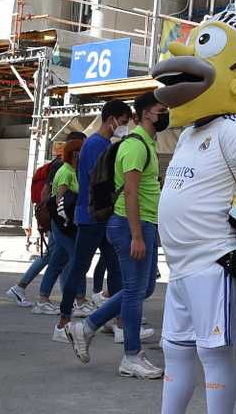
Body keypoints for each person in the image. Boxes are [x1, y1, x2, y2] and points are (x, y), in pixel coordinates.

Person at [153, 9, 236, 414]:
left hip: (213, 262)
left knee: (213, 354)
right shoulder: (192, 131)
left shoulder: (230, 126)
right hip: (180, 266)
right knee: (174, 349)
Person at [68, 91, 166, 378]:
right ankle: (131, 356)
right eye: (162, 109)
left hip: (143, 224)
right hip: (129, 225)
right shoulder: (135, 146)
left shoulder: (146, 142)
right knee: (135, 290)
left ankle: (86, 326)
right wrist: (136, 235)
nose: (166, 114)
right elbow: (131, 192)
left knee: (144, 287)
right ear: (148, 113)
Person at [56, 101, 130, 338]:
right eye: (125, 121)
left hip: (98, 215)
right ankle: (63, 321)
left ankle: (117, 321)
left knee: (113, 267)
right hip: (94, 216)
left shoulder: (99, 143)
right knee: (81, 267)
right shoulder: (98, 144)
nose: (125, 127)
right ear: (112, 119)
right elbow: (104, 181)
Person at [37, 133, 86, 321]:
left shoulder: (73, 170)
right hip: (63, 225)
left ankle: (43, 298)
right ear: (75, 154)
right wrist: (66, 221)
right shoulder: (66, 171)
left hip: (64, 225)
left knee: (57, 262)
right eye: (82, 151)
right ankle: (79, 300)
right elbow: (60, 201)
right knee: (77, 260)